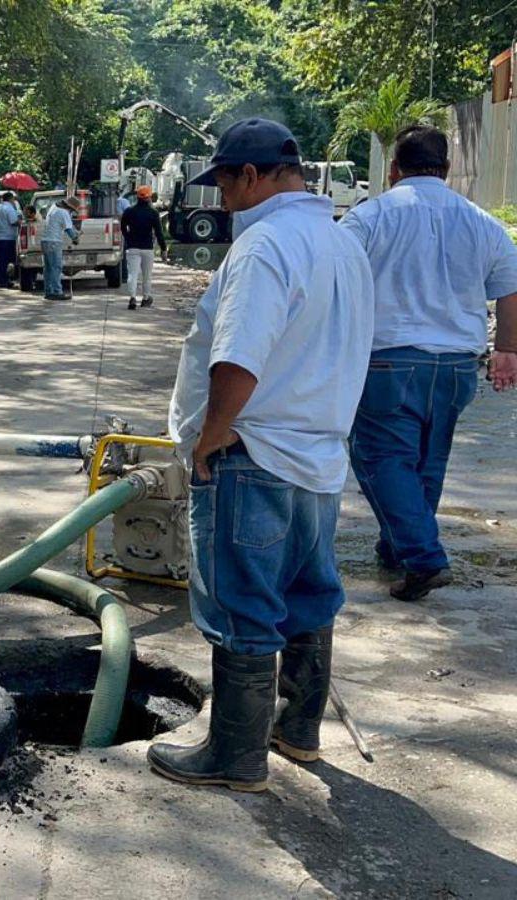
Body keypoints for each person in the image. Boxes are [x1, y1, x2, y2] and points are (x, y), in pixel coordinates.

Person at [147, 118, 374, 791]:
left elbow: (238, 356)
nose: (220, 200)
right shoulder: (341, 245)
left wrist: (210, 437)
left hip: (254, 455)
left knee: (242, 604)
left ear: (250, 176)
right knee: (308, 597)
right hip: (319, 459)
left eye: (222, 183)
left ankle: (236, 757)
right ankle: (296, 731)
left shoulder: (264, 245)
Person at [340, 125, 517, 601]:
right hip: (458, 365)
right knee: (426, 461)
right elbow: (509, 288)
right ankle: (397, 547)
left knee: (379, 457)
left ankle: (424, 558)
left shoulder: (370, 216)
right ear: (448, 168)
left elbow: (331, 275)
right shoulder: (483, 222)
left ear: (394, 168)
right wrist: (508, 350)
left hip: (389, 361)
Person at [120, 185, 168, 310]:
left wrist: (128, 237)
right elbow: (159, 233)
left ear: (137, 196)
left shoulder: (129, 211)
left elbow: (122, 227)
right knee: (147, 276)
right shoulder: (153, 213)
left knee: (132, 274)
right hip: (147, 248)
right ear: (149, 197)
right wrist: (163, 249)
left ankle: (132, 298)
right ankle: (146, 298)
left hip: (132, 247)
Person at [40, 195, 80, 301]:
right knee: (56, 267)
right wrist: (75, 238)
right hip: (54, 242)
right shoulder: (64, 212)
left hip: (45, 241)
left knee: (48, 268)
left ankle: (49, 291)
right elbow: (69, 230)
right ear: (70, 208)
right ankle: (57, 291)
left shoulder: (54, 207)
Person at [0, 192, 23, 289]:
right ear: (10, 199)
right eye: (13, 199)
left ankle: (0, 279)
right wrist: (21, 221)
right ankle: (3, 281)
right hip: (8, 238)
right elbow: (13, 222)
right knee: (6, 260)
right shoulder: (9, 208)